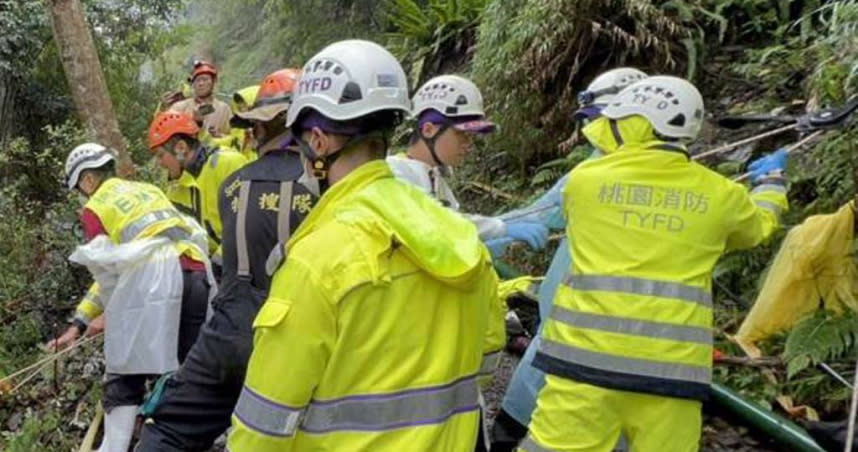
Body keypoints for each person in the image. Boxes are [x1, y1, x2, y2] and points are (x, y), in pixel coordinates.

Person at [227, 39, 503, 452]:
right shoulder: (459, 237)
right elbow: (487, 355)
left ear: (318, 142)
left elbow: (264, 422)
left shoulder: (317, 261)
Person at [518, 76, 789, 452]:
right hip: (672, 376)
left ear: (634, 122)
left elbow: (554, 212)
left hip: (583, 366)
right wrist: (772, 183)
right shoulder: (722, 195)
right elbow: (757, 229)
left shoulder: (585, 180)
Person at [136, 68, 315, 451]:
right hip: (274, 322)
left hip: (236, 315)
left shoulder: (232, 173)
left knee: (168, 430)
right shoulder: (328, 187)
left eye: (161, 156)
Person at [490, 67, 648, 452]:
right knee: (519, 420)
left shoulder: (595, 174)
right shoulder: (597, 167)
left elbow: (537, 216)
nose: (589, 130)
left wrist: (474, 236)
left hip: (582, 335)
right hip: (597, 337)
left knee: (536, 426)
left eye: (595, 121)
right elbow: (537, 216)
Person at [49, 143, 212, 452]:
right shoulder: (147, 189)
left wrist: (108, 316)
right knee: (184, 373)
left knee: (124, 370)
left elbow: (107, 273)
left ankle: (115, 447)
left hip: (153, 284)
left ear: (86, 181)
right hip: (196, 275)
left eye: (79, 189)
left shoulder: (96, 206)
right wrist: (80, 322)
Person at [387, 74, 548, 251]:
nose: (467, 144)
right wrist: (500, 228)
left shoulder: (434, 178)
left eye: (470, 137)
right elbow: (438, 223)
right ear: (429, 130)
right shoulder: (394, 173)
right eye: (461, 135)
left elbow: (453, 224)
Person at [148, 110, 248, 256]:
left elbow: (248, 223)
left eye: (161, 155)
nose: (159, 164)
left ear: (181, 148)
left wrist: (219, 261)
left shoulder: (228, 163)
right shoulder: (176, 188)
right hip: (208, 263)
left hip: (241, 259)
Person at [170, 60, 232, 137]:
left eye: (205, 79)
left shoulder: (224, 109)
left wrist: (219, 135)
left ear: (214, 81)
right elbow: (167, 133)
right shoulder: (179, 107)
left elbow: (235, 139)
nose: (201, 83)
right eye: (197, 80)